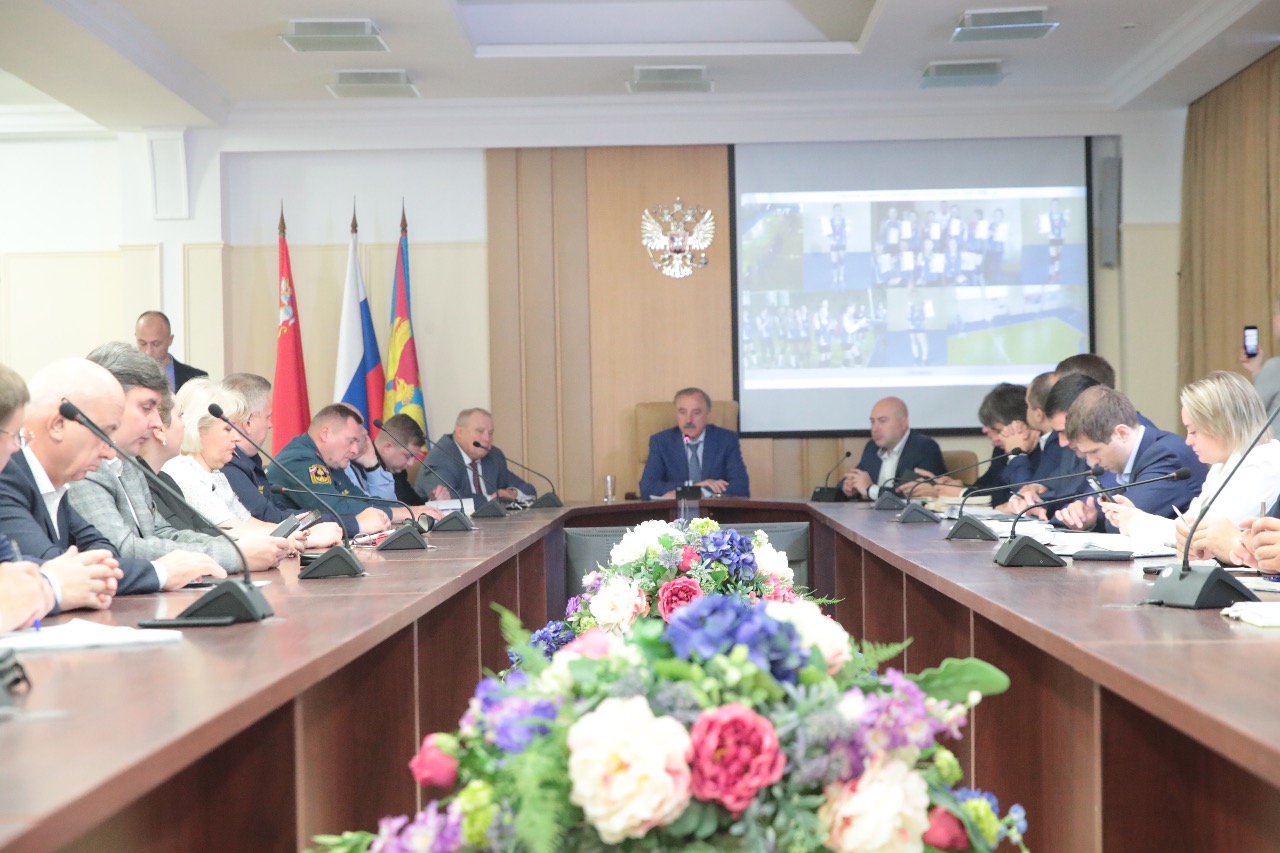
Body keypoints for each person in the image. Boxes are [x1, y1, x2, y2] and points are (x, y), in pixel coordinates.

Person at [0, 358, 215, 610]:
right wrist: (162, 572)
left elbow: (105, 551)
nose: (109, 452)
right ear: (58, 424)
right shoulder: (9, 478)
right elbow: (52, 570)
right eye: (103, 433)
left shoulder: (56, 481)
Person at [67, 344, 288, 575]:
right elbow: (123, 550)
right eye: (146, 408)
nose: (157, 422)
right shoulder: (85, 467)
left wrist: (238, 548)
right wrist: (237, 556)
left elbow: (162, 533)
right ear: (110, 404)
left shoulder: (128, 465)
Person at [1101, 372, 1280, 547]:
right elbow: (1186, 525)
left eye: (1193, 431)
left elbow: (1202, 536)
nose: (1188, 441)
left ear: (1222, 426)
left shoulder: (1263, 463)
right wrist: (1134, 515)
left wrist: (1134, 521)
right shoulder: (1222, 465)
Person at [160, 381, 313, 558]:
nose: (236, 437)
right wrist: (300, 537)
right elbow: (231, 530)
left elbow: (247, 523)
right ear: (198, 429)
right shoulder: (184, 470)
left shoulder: (215, 473)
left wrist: (290, 530)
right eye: (228, 429)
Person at [1054, 386, 1207, 533]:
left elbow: (1124, 523)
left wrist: (1099, 518)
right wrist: (1090, 518)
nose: (1092, 462)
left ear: (1121, 433)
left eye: (1095, 451)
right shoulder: (1132, 459)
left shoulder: (1166, 456)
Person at [219, 373, 347, 545]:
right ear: (248, 423)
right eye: (268, 417)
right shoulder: (228, 465)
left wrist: (314, 521)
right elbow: (267, 518)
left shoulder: (250, 460)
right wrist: (347, 524)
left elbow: (275, 511)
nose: (271, 424)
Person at [272, 404, 443, 529]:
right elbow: (334, 508)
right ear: (325, 434)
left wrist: (407, 509)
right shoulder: (300, 459)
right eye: (350, 441)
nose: (355, 450)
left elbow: (359, 498)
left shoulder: (329, 460)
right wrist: (400, 513)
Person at [907, 383, 1034, 505]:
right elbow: (988, 485)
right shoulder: (1001, 449)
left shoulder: (1035, 451)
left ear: (1020, 424)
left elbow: (1008, 495)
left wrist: (962, 493)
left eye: (998, 430)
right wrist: (951, 487)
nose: (995, 439)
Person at [638, 389, 750, 499]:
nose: (688, 420)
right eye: (682, 412)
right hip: (675, 510)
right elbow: (647, 488)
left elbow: (741, 487)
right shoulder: (661, 442)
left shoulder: (726, 440)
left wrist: (698, 492)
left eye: (696, 413)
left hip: (713, 510)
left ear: (707, 414)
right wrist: (693, 486)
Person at [415, 407, 537, 506]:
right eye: (480, 431)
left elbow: (529, 490)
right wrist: (492, 500)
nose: (487, 439)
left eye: (490, 433)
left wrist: (513, 493)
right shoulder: (440, 458)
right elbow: (449, 500)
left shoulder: (494, 456)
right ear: (459, 432)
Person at [839, 396, 942, 501]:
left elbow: (916, 494)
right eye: (873, 422)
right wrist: (849, 486)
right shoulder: (872, 447)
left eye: (882, 421)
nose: (875, 429)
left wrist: (871, 490)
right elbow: (854, 480)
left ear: (903, 423)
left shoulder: (924, 447)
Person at [135, 310, 208, 392]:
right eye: (142, 343)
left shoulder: (196, 380)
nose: (148, 351)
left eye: (156, 344)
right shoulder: (126, 378)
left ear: (170, 340)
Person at [1239, 296, 1280, 417]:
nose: (1273, 319)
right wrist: (1257, 371)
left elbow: (1248, 413)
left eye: (1276, 313)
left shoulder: (1275, 367)